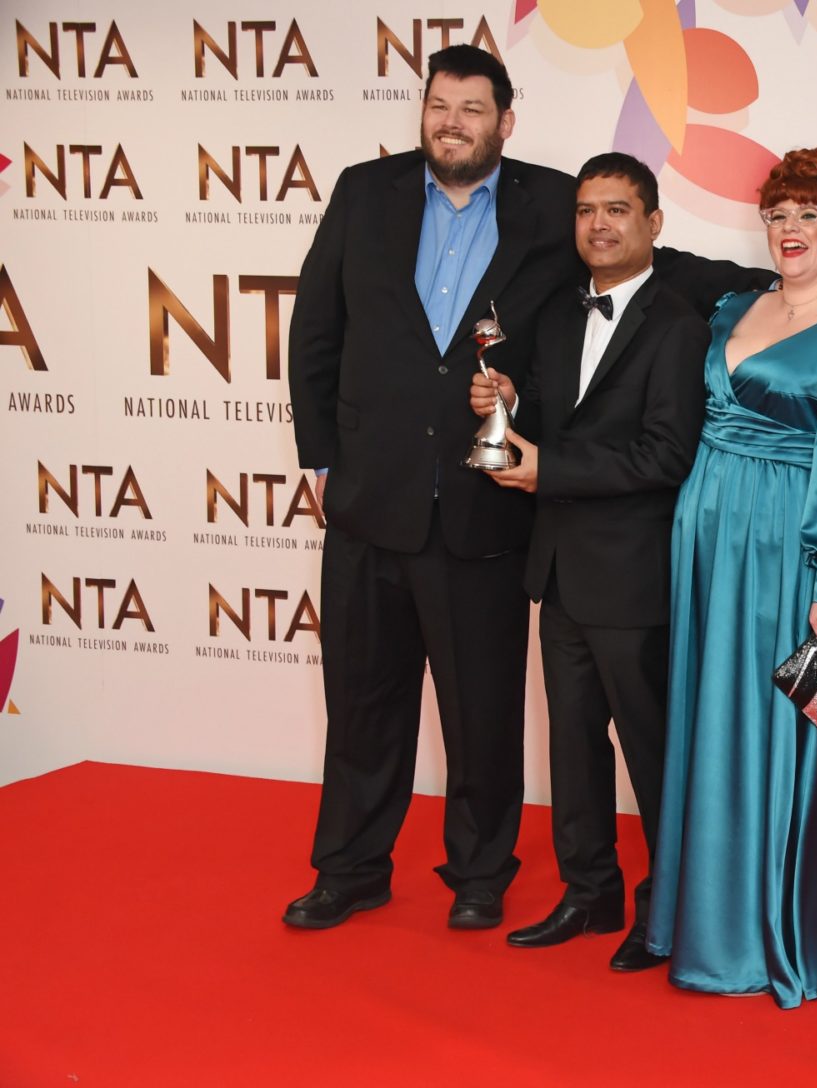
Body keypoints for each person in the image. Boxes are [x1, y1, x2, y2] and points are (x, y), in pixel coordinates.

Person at [284, 45, 585, 931]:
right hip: (370, 502)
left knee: (482, 710)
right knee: (363, 705)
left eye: (473, 109)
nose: (452, 123)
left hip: (484, 505)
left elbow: (621, 284)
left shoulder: (554, 204)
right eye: (439, 106)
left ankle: (481, 872)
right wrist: (323, 463)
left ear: (506, 122)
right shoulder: (363, 193)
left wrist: (764, 289)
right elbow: (315, 331)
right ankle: (349, 868)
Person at [644, 149, 817, 1007]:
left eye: (809, 214)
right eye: (778, 214)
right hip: (711, 535)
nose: (791, 229)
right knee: (713, 718)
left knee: (801, 726)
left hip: (797, 547)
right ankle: (705, 921)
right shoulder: (733, 304)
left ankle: (793, 930)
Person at [465, 152, 722, 972]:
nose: (599, 225)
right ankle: (589, 892)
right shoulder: (560, 317)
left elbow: (665, 455)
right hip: (559, 571)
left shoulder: (679, 324)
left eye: (617, 209)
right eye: (586, 211)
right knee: (573, 748)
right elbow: (555, 418)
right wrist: (510, 406)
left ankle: (669, 908)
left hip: (634, 578)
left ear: (653, 223)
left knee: (652, 753)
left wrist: (553, 470)